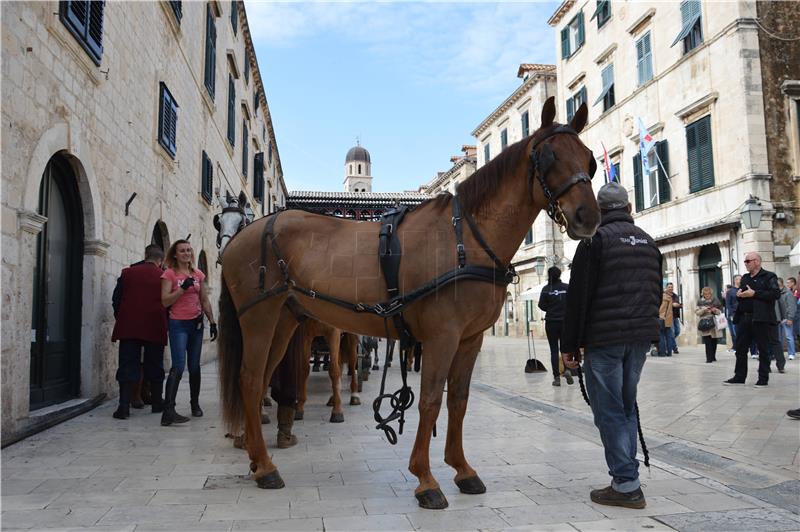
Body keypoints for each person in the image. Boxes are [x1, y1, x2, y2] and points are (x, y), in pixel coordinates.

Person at [561, 182, 661, 509]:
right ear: (629, 208)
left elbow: (578, 298)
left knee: (610, 411)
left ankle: (626, 483)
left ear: (600, 211)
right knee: (626, 406)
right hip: (639, 339)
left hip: (605, 341)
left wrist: (570, 345)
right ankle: (626, 476)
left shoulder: (596, 241)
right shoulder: (648, 242)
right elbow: (656, 294)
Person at [160, 239, 218, 426]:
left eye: (189, 250)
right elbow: (165, 301)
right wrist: (182, 289)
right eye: (182, 251)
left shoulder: (198, 274)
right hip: (178, 324)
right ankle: (168, 410)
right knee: (178, 365)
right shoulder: (169, 274)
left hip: (196, 325)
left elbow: (204, 300)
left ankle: (195, 404)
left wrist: (212, 321)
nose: (186, 253)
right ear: (175, 254)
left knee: (195, 367)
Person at [110, 245, 168, 419]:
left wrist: (122, 316)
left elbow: (116, 299)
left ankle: (123, 406)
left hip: (129, 325)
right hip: (155, 325)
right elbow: (168, 302)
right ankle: (157, 403)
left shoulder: (127, 273)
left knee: (127, 364)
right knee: (155, 365)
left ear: (145, 256)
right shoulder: (164, 276)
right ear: (161, 260)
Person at [724, 252, 780, 387]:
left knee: (763, 348)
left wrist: (754, 293)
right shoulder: (745, 278)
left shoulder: (769, 276)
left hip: (761, 318)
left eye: (748, 261)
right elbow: (743, 294)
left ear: (757, 262)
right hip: (745, 317)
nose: (746, 263)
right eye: (745, 261)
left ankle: (763, 378)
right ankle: (739, 376)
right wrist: (739, 295)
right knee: (741, 348)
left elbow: (775, 294)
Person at [538, 266, 572, 386]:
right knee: (566, 348)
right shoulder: (567, 287)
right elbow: (573, 303)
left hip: (551, 322)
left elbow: (541, 305)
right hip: (565, 322)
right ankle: (567, 370)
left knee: (554, 350)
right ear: (559, 275)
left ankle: (557, 378)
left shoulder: (546, 289)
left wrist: (551, 308)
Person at [695, 287, 722, 363]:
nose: (707, 295)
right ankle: (708, 358)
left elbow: (720, 312)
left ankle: (713, 356)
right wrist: (703, 310)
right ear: (703, 294)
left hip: (714, 322)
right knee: (707, 341)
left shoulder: (716, 300)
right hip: (705, 323)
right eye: (705, 294)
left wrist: (714, 310)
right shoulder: (700, 301)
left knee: (714, 340)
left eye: (709, 293)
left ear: (711, 293)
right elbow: (697, 312)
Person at [778, 278, 796, 361]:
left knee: (789, 336)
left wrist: (790, 318)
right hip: (779, 319)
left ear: (780, 284)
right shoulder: (777, 293)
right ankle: (779, 353)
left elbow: (791, 306)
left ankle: (791, 353)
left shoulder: (788, 293)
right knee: (779, 338)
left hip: (786, 318)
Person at [724, 276, 741, 352]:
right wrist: (731, 315)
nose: (740, 280)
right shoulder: (730, 291)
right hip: (733, 314)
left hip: (742, 314)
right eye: (738, 279)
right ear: (735, 280)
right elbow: (728, 304)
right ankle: (736, 347)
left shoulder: (743, 289)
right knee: (734, 332)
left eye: (741, 279)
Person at [658, 284, 675, 357]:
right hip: (667, 318)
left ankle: (662, 352)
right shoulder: (669, 297)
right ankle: (669, 352)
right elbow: (669, 310)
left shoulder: (660, 297)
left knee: (661, 335)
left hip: (661, 318)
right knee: (669, 336)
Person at [670, 285, 682, 354]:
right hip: (669, 316)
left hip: (676, 316)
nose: (670, 288)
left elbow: (677, 303)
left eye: (671, 287)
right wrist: (672, 304)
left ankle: (668, 341)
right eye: (669, 287)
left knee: (677, 331)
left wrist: (679, 305)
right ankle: (674, 348)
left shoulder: (675, 295)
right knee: (672, 332)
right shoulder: (665, 295)